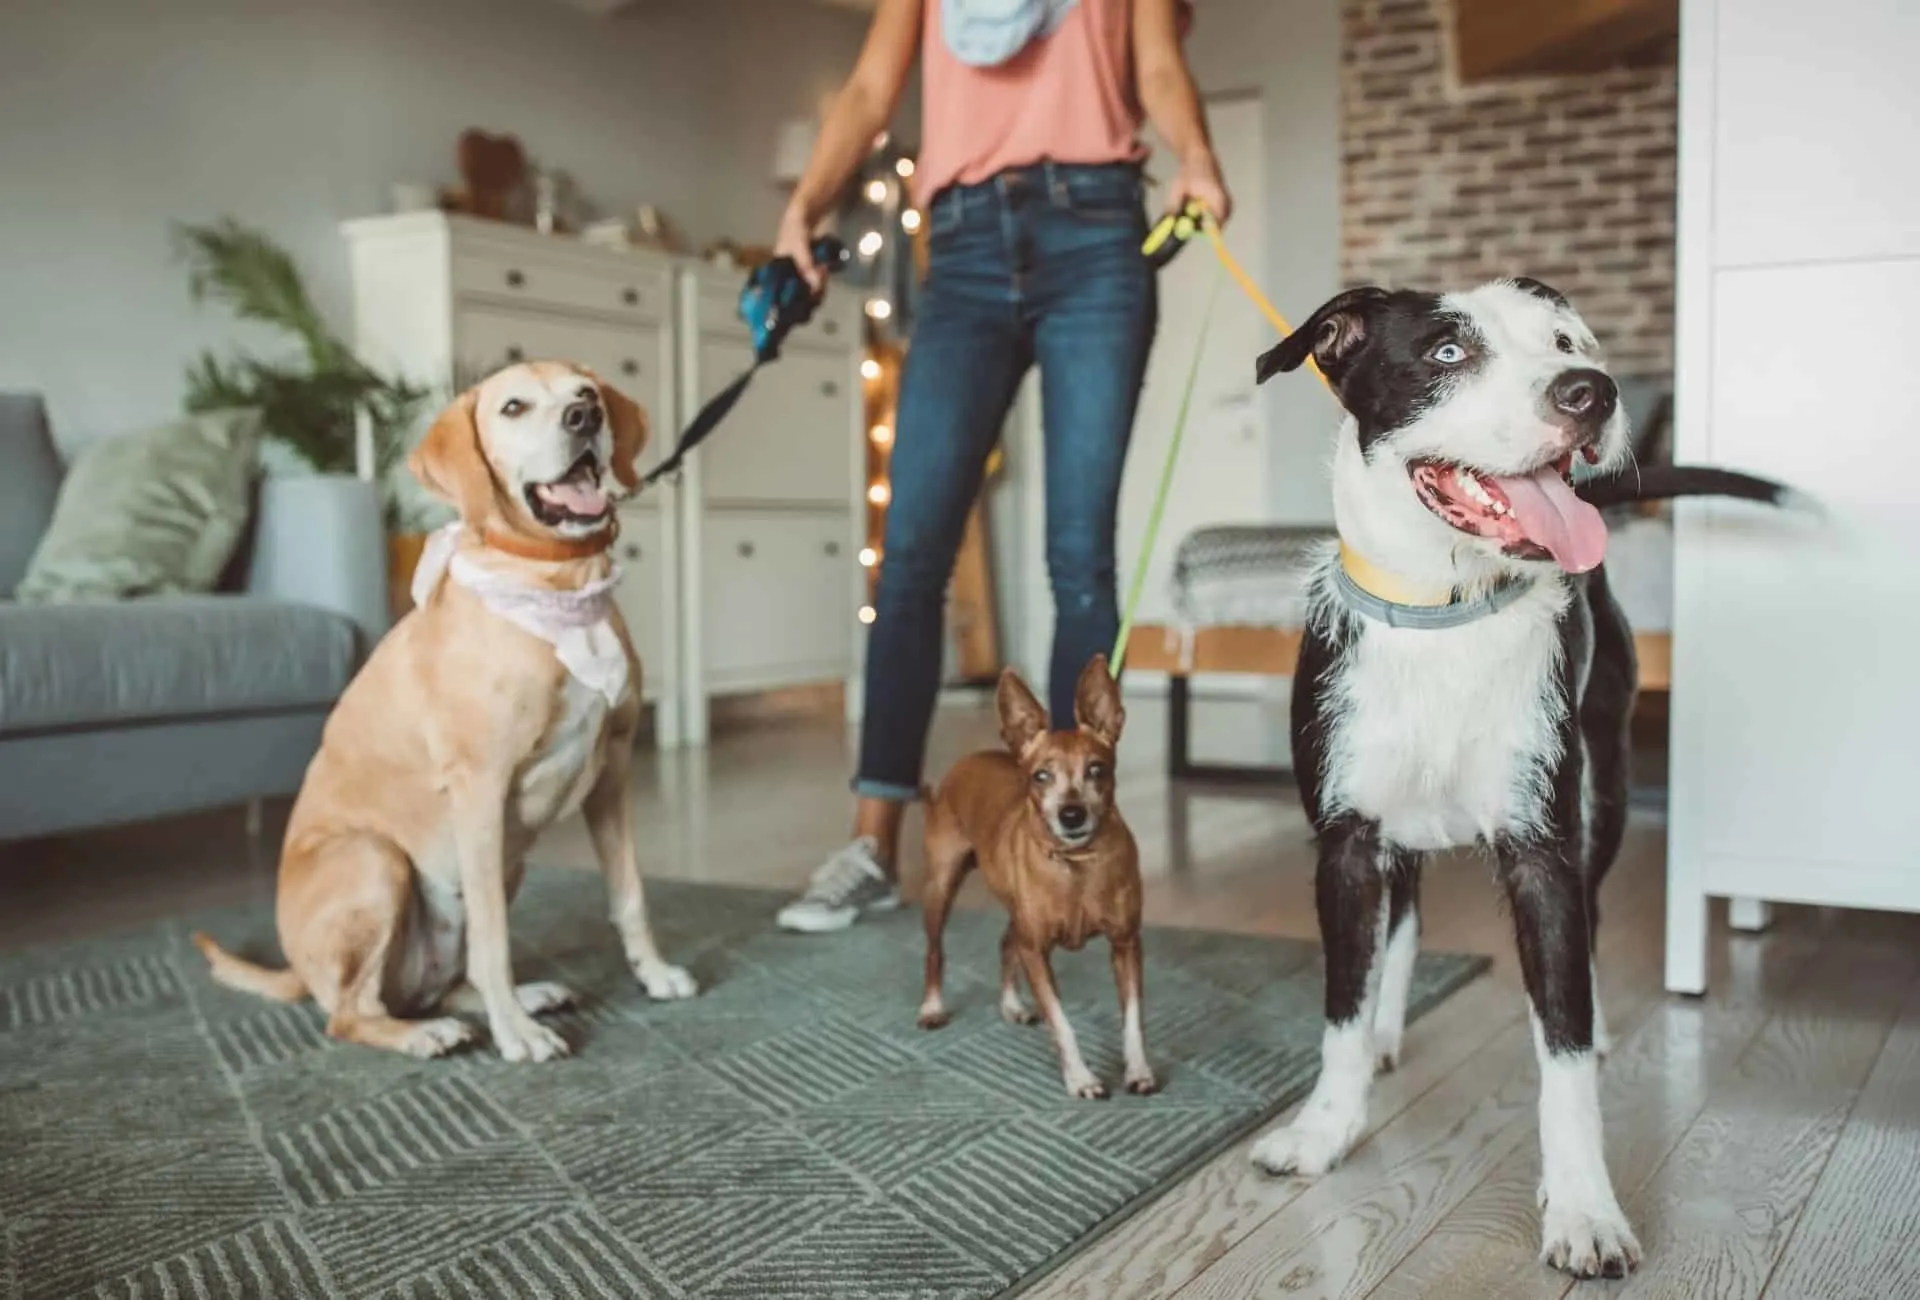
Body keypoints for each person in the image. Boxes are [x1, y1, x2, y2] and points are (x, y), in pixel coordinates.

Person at [775, 0, 1230, 933]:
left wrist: (1199, 156)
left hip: (1098, 232)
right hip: (966, 245)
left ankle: (1064, 844)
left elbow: (1155, 74)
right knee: (908, 560)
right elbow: (869, 88)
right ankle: (871, 847)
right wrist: (802, 207)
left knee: (1079, 558)